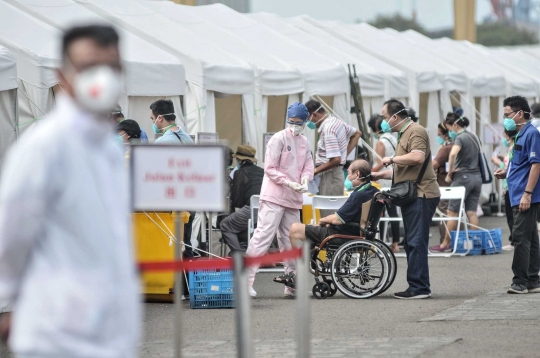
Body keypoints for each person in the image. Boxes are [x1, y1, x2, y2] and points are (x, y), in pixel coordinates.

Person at [0, 25, 140, 357]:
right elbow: (10, 233)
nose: (103, 78)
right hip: (56, 332)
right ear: (62, 75)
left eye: (113, 68)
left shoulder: (108, 147)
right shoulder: (44, 147)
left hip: (111, 330)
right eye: (90, 67)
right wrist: (7, 305)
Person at [371, 99, 440, 299]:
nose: (383, 122)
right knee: (411, 241)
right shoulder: (403, 134)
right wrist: (379, 175)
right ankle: (417, 285)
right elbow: (404, 170)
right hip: (414, 194)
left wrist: (391, 159)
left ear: (395, 116)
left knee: (416, 241)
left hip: (422, 194)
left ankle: (419, 288)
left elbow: (417, 157)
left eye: (385, 117)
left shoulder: (415, 131)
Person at [245, 102, 314, 298]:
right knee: (263, 236)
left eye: (298, 122)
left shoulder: (305, 142)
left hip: (292, 198)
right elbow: (270, 168)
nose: (294, 125)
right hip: (274, 195)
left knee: (290, 241)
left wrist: (306, 178)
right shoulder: (278, 139)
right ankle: (246, 282)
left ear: (305, 122)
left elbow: (308, 164)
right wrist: (288, 182)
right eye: (291, 122)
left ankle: (292, 285)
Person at [494, 96, 540, 294]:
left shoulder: (532, 134)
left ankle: (520, 281)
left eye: (507, 115)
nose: (506, 119)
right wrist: (507, 172)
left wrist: (527, 194)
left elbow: (536, 165)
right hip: (517, 193)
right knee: (530, 237)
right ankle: (532, 279)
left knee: (520, 237)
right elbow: (521, 164)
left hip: (525, 195)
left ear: (520, 113)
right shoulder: (520, 134)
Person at [287, 159, 379, 248]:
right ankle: (308, 260)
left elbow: (337, 219)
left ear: (357, 174)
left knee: (295, 229)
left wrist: (323, 220)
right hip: (356, 232)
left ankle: (301, 263)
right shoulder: (374, 191)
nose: (347, 177)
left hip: (342, 235)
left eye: (349, 173)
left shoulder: (358, 195)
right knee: (310, 228)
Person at [430, 113, 482, 252]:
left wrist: (450, 171)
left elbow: (453, 153)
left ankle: (445, 243)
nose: (450, 132)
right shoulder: (474, 136)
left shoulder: (460, 137)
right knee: (471, 212)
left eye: (450, 128)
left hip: (462, 178)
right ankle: (476, 243)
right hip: (477, 177)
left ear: (455, 125)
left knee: (452, 212)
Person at [305, 100, 362, 216]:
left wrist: (315, 171)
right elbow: (357, 133)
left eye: (308, 119)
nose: (308, 123)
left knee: (328, 215)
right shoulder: (336, 122)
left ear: (315, 115)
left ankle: (330, 234)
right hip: (331, 173)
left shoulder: (328, 130)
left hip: (329, 175)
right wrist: (344, 154)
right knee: (331, 214)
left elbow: (335, 159)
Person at [220, 145, 263, 253]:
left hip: (251, 209)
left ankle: (238, 256)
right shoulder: (262, 172)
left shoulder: (240, 173)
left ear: (239, 160)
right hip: (267, 209)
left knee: (225, 225)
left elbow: (236, 200)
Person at [368, 114, 401, 252]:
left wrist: (371, 172)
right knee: (393, 212)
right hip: (395, 176)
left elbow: (380, 163)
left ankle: (379, 242)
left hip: (384, 181)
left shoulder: (381, 141)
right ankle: (395, 243)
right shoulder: (393, 138)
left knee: (380, 212)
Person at [491, 129, 518, 251]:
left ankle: (515, 241)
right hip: (509, 185)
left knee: (512, 215)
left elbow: (510, 168)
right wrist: (502, 159)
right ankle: (514, 240)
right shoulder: (512, 147)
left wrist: (498, 162)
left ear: (508, 135)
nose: (503, 137)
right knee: (511, 214)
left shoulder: (514, 147)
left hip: (511, 185)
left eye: (504, 135)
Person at [432, 123, 453, 244]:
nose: (438, 137)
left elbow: (435, 164)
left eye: (439, 134)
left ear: (444, 134)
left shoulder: (446, 148)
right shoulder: (455, 144)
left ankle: (445, 241)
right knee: (452, 212)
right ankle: (450, 241)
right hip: (451, 182)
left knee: (443, 212)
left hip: (444, 183)